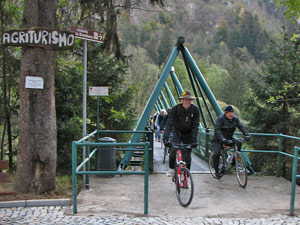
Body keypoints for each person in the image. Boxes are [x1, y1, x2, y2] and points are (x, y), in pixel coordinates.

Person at [163, 91, 200, 177]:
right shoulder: (175, 109)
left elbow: (195, 126)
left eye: (189, 100)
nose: (187, 101)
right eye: (185, 99)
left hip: (189, 134)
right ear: (182, 100)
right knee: (173, 149)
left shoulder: (195, 110)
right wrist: (165, 138)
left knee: (188, 154)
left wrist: (194, 140)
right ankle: (171, 168)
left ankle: (187, 172)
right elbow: (169, 124)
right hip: (177, 133)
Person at [211, 105, 250, 178]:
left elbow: (241, 127)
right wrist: (222, 139)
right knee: (216, 153)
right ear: (225, 113)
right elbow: (217, 130)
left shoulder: (235, 119)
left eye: (232, 113)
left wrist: (247, 134)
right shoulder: (220, 119)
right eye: (229, 113)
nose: (231, 114)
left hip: (229, 138)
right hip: (218, 139)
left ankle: (234, 160)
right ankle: (216, 170)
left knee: (239, 143)